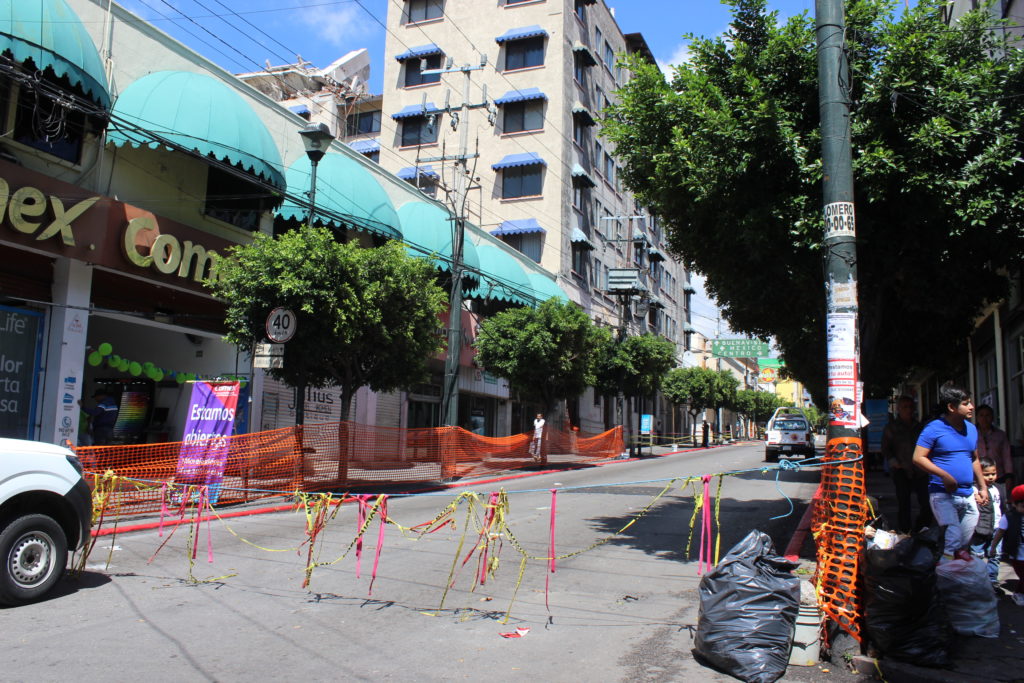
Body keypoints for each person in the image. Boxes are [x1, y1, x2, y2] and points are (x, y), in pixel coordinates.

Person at [912, 383, 989, 558]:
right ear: (951, 407)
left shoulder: (971, 428)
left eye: (970, 402)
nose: (971, 407)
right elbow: (918, 457)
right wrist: (944, 475)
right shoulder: (934, 428)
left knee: (963, 544)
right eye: (966, 403)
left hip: (968, 494)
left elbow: (974, 458)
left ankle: (952, 570)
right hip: (942, 494)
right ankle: (945, 571)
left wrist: (983, 487)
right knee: (952, 539)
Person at [882, 395, 930, 532]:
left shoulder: (919, 427)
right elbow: (886, 448)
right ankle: (904, 530)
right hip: (901, 469)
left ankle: (922, 528)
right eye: (905, 407)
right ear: (898, 409)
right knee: (904, 502)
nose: (908, 410)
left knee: (925, 502)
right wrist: (894, 462)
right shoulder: (891, 428)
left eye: (910, 407)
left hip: (920, 470)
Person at [970, 457, 1003, 587]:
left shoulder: (998, 488)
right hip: (981, 528)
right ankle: (977, 580)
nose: (990, 477)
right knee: (977, 555)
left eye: (993, 473)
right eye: (986, 474)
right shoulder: (975, 490)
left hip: (997, 527)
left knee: (995, 554)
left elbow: (1002, 507)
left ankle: (992, 580)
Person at [990, 484, 1024, 606]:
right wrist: (993, 547)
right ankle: (1018, 593)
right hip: (1017, 555)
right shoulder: (1009, 517)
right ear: (1014, 504)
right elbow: (1000, 533)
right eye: (1023, 506)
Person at [976, 404, 1014, 491]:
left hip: (997, 476)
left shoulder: (1000, 435)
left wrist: (1009, 476)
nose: (984, 418)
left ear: (992, 417)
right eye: (981, 415)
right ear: (977, 417)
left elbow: (1006, 457)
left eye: (987, 415)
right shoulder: (971, 434)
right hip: (977, 476)